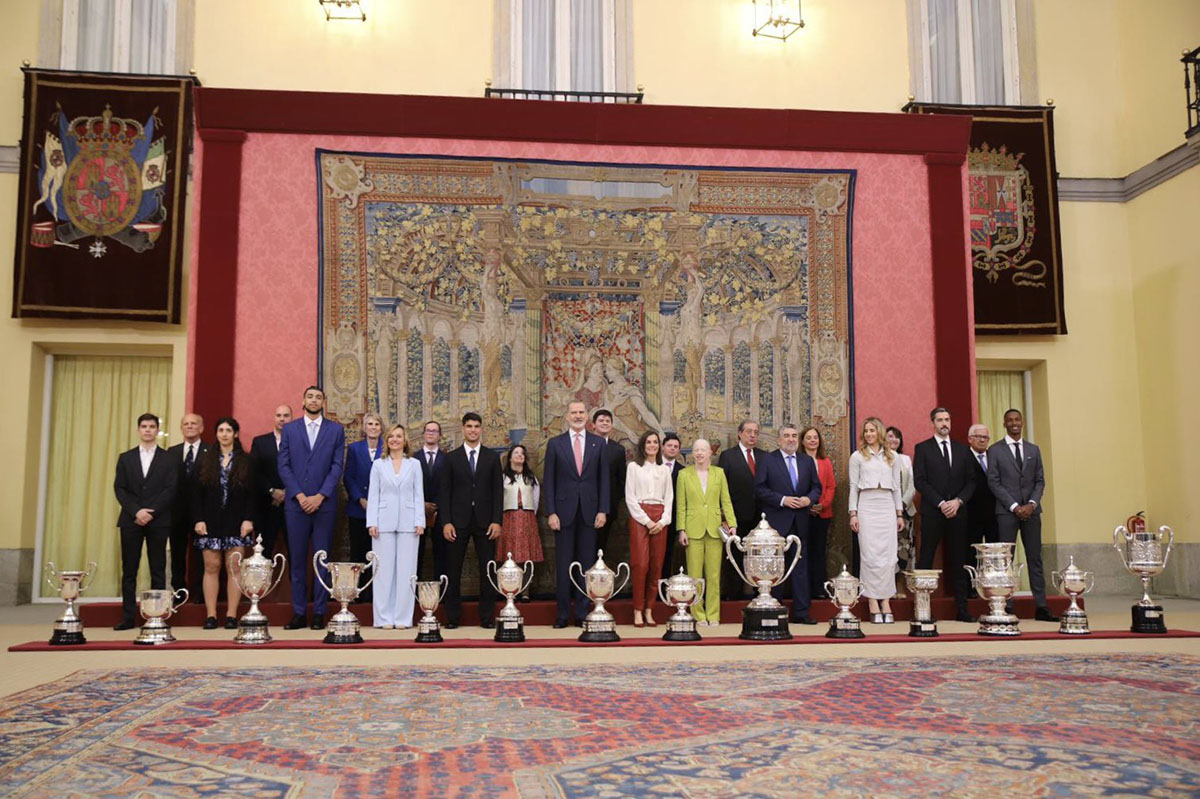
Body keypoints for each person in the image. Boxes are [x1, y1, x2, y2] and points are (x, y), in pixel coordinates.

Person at [277, 385, 346, 630]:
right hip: (296, 506)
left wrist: (320, 496)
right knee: (297, 560)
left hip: (324, 506)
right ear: (303, 400)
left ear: (324, 402)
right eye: (310, 396)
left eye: (318, 397)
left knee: (322, 560)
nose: (314, 400)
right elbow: (283, 465)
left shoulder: (336, 430)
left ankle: (318, 612)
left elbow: (337, 466)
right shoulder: (290, 429)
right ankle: (298, 613)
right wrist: (299, 495)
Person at [542, 400, 610, 628]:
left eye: (582, 412)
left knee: (586, 566)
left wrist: (603, 509)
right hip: (563, 514)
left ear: (587, 416)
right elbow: (548, 481)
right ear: (567, 416)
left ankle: (582, 613)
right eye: (574, 412)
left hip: (591, 514)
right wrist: (550, 512)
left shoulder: (598, 444)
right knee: (563, 565)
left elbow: (604, 480)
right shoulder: (555, 444)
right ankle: (562, 615)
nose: (578, 416)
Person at [987, 409, 1058, 622]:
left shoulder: (1033, 450)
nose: (1014, 423)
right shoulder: (995, 450)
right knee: (1005, 560)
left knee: (1035, 558)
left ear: (1023, 422)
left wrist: (1032, 504)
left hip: (1032, 512)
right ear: (1004, 423)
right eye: (1010, 420)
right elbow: (993, 481)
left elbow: (1040, 480)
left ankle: (1041, 606)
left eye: (1017, 419)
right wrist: (1015, 506)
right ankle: (1006, 605)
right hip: (1007, 513)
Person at [912, 406, 977, 622]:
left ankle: (962, 609)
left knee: (959, 560)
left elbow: (971, 481)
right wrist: (941, 503)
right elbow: (920, 481)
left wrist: (957, 502)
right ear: (933, 423)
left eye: (947, 419)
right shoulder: (923, 449)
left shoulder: (963, 450)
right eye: (940, 420)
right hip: (933, 512)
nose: (944, 423)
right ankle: (922, 611)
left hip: (958, 513)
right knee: (926, 559)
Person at [112, 413, 176, 630]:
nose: (148, 430)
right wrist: (136, 511)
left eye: (152, 426)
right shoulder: (125, 458)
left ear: (158, 430)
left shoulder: (168, 458)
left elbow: (171, 488)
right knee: (129, 569)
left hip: (159, 521)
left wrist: (152, 512)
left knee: (158, 568)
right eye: (144, 426)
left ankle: (157, 615)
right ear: (138, 430)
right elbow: (119, 488)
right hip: (131, 521)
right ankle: (128, 617)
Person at [439, 412, 503, 629]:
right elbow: (444, 493)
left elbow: (497, 492)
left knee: (488, 570)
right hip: (457, 522)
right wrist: (446, 522)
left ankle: (486, 617)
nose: (473, 430)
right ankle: (452, 617)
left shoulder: (492, 457)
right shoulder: (451, 458)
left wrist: (497, 521)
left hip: (486, 522)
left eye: (476, 426)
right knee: (452, 570)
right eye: (469, 426)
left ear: (481, 429)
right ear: (463, 429)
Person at [754, 423, 822, 624]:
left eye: (794, 435)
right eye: (786, 435)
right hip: (776, 523)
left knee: (800, 567)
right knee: (775, 568)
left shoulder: (806, 461)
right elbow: (759, 489)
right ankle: (775, 611)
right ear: (779, 439)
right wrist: (783, 500)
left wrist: (809, 499)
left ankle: (802, 613)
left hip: (801, 521)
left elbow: (816, 487)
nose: (791, 439)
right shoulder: (768, 460)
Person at [191, 416, 255, 629]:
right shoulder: (205, 459)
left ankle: (231, 615)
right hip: (210, 521)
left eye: (229, 430)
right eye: (221, 430)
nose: (224, 434)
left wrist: (248, 519)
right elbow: (195, 493)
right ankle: (211, 615)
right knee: (212, 565)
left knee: (234, 567)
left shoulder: (246, 460)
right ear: (216, 434)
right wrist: (198, 519)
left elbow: (252, 494)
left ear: (235, 434)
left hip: (237, 521)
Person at [366, 424, 424, 629]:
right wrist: (372, 521)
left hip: (409, 522)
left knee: (407, 571)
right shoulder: (378, 465)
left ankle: (402, 618)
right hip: (383, 522)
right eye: (391, 436)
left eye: (399, 436)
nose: (395, 440)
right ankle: (383, 618)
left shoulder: (414, 464)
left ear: (405, 440)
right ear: (386, 440)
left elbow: (419, 494)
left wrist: (420, 521)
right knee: (382, 572)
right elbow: (373, 495)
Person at [847, 417, 904, 624]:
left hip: (887, 505)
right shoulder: (857, 456)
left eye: (872, 430)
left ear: (879, 432)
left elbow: (897, 486)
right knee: (870, 555)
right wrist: (853, 513)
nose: (868, 434)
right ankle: (872, 600)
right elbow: (853, 486)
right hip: (867, 505)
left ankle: (886, 601)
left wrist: (899, 514)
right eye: (866, 431)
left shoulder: (893, 457)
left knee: (888, 556)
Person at [675, 439, 736, 626]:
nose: (700, 453)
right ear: (692, 454)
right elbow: (681, 505)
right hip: (693, 530)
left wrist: (732, 523)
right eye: (696, 450)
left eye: (703, 450)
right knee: (695, 575)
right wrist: (681, 529)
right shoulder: (683, 475)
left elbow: (726, 500)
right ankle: (698, 614)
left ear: (711, 453)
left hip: (715, 529)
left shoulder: (719, 473)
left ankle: (713, 614)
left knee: (714, 575)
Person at [625, 431, 674, 627]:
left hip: (660, 517)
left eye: (655, 442)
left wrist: (663, 521)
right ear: (642, 445)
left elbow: (669, 498)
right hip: (640, 516)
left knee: (655, 567)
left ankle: (649, 610)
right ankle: (637, 610)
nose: (652, 445)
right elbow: (630, 497)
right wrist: (646, 521)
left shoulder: (664, 470)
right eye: (648, 442)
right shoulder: (634, 468)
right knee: (641, 565)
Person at [716, 420, 764, 600]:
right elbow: (722, 487)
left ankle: (760, 594)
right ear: (739, 433)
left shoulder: (765, 456)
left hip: (761, 517)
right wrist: (724, 516)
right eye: (749, 431)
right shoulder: (728, 456)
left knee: (758, 557)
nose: (752, 435)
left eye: (756, 432)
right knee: (734, 555)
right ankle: (733, 595)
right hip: (736, 516)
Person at [343, 412, 384, 603]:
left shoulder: (387, 448)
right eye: (370, 424)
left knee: (379, 554)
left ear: (381, 428)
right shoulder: (354, 449)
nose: (373, 427)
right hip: (359, 510)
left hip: (383, 510)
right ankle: (358, 594)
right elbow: (348, 477)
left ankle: (377, 594)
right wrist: (360, 499)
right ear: (364, 428)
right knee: (359, 552)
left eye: (377, 424)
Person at [166, 413, 206, 598]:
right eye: (186, 424)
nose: (190, 426)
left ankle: (200, 593)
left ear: (201, 428)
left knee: (202, 556)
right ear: (181, 428)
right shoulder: (171, 453)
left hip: (203, 514)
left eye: (194, 423)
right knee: (177, 554)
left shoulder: (211, 451)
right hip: (176, 513)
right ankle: (179, 592)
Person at [499, 443, 543, 601]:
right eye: (516, 453)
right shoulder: (503, 478)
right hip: (508, 519)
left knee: (526, 556)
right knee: (509, 555)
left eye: (522, 454)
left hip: (527, 519)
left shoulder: (531, 478)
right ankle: (510, 590)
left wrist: (529, 513)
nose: (519, 455)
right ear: (510, 457)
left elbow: (536, 499)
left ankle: (525, 590)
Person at [250, 404, 292, 562]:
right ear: (274, 418)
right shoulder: (260, 442)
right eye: (279, 415)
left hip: (291, 505)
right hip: (266, 506)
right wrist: (271, 491)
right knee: (263, 555)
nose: (282, 419)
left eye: (286, 415)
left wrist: (287, 492)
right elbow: (255, 471)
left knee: (295, 554)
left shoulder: (299, 442)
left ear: (291, 418)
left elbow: (302, 471)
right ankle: (262, 588)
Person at [800, 425, 836, 600]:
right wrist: (807, 506)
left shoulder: (825, 461)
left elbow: (830, 487)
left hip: (822, 514)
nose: (813, 440)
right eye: (809, 437)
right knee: (803, 552)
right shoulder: (797, 460)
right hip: (802, 514)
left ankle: (819, 589)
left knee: (819, 552)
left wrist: (823, 504)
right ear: (803, 441)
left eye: (815, 437)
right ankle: (804, 589)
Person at [886, 425, 918, 597]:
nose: (893, 440)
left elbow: (912, 485)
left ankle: (900, 586)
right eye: (890, 436)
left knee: (903, 550)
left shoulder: (905, 459)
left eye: (897, 437)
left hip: (905, 512)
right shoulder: (880, 458)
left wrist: (902, 505)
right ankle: (887, 586)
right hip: (884, 511)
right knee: (887, 551)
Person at [415, 420, 448, 582]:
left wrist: (436, 507)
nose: (431, 433)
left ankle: (440, 595)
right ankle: (412, 593)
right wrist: (421, 504)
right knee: (415, 554)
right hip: (415, 512)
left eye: (434, 431)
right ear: (423, 434)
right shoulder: (412, 459)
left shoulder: (447, 459)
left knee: (441, 555)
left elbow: (449, 487)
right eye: (428, 430)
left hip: (440, 513)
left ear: (439, 436)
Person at [592, 409, 627, 556]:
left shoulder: (618, 450)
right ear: (593, 425)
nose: (605, 423)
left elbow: (621, 480)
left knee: (601, 546)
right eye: (601, 420)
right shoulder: (584, 445)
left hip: (607, 509)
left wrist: (611, 502)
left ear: (612, 425)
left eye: (608, 421)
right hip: (583, 505)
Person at [966, 424, 999, 549]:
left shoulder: (994, 456)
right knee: (972, 554)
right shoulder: (963, 457)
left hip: (994, 514)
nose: (982, 440)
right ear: (970, 439)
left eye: (985, 437)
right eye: (978, 436)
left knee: (994, 552)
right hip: (971, 514)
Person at [659, 433, 685, 580]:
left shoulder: (683, 471)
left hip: (673, 518)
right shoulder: (653, 466)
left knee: (669, 552)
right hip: (654, 517)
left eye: (676, 446)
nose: (672, 448)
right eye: (669, 445)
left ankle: (665, 585)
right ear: (662, 447)